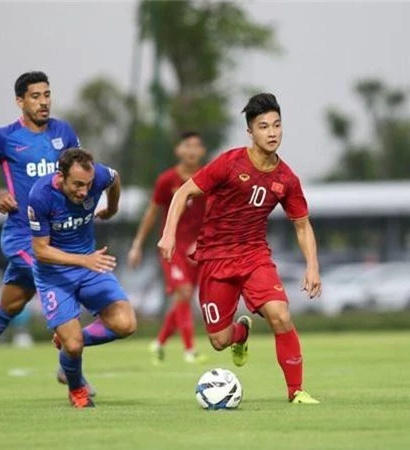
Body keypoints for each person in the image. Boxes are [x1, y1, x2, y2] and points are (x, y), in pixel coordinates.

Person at [158, 93, 321, 404]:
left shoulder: (287, 179)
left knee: (280, 314)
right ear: (250, 132)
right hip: (215, 259)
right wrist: (168, 235)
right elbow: (183, 193)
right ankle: (241, 334)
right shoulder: (230, 163)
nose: (272, 133)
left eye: (277, 125)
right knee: (219, 341)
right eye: (264, 126)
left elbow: (302, 225)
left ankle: (296, 391)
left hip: (254, 255)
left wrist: (312, 265)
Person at [0, 71, 95, 399]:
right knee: (60, 278)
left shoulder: (64, 132)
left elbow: (80, 172)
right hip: (22, 237)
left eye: (46, 94)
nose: (43, 102)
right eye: (35, 96)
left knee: (10, 305)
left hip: (54, 237)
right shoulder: (4, 138)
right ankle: (71, 369)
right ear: (20, 101)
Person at [28, 148, 136, 407]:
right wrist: (84, 260)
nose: (84, 192)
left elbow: (115, 178)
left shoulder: (98, 176)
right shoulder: (40, 196)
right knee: (74, 347)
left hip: (89, 266)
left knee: (125, 324)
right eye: (77, 184)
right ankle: (77, 389)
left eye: (88, 185)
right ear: (60, 176)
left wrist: (112, 207)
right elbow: (40, 250)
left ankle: (66, 340)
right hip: (54, 274)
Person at [127, 131, 208, 365]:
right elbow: (152, 213)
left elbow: (214, 211)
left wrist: (203, 239)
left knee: (184, 299)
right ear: (178, 150)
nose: (192, 150)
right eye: (187, 145)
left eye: (196, 146)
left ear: (202, 151)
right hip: (172, 247)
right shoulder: (167, 180)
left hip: (198, 249)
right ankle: (189, 350)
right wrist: (137, 245)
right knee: (183, 292)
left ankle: (159, 342)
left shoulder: (207, 177)